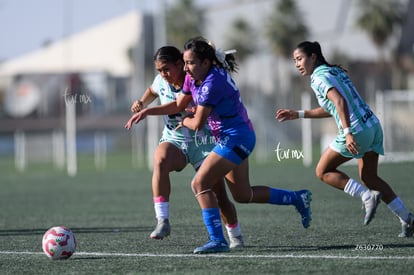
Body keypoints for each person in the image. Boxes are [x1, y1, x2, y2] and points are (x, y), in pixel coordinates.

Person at [175, 36, 312, 254]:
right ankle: (297, 198)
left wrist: (183, 120)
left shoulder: (212, 82)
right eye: (184, 62)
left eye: (190, 63)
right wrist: (150, 106)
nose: (186, 68)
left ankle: (217, 240)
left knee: (199, 184)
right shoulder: (194, 77)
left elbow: (198, 124)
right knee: (242, 194)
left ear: (206, 62)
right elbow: (180, 102)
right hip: (231, 138)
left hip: (237, 137)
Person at [276, 41, 413, 237]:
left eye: (299, 59)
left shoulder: (318, 77)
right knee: (369, 177)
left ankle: (367, 197)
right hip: (372, 124)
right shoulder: (334, 72)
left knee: (322, 171)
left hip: (357, 130)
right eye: (295, 61)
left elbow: (339, 102)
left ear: (313, 56)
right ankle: (407, 219)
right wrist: (298, 114)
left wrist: (348, 133)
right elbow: (333, 106)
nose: (297, 64)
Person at [124, 46, 244, 249]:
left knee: (220, 197)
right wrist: (141, 102)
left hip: (204, 142)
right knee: (160, 158)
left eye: (166, 69)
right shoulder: (161, 79)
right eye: (159, 70)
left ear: (180, 64)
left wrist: (147, 112)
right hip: (175, 140)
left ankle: (234, 234)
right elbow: (153, 90)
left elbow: (176, 106)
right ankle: (163, 220)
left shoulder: (193, 82)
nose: (163, 74)